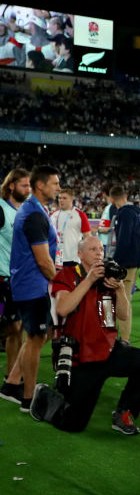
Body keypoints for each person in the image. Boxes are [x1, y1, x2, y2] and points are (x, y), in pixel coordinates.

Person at [29, 236, 140, 434]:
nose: (99, 253)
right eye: (93, 249)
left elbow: (122, 315)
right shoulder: (68, 275)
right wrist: (89, 280)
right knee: (73, 425)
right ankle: (44, 395)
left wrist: (120, 290)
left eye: (101, 249)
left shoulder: (107, 279)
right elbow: (63, 308)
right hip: (80, 355)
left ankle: (125, 412)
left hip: (107, 350)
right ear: (80, 254)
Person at [9, 165, 61, 412]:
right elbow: (42, 260)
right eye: (55, 183)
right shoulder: (34, 214)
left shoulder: (34, 210)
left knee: (40, 335)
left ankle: (11, 384)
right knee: (36, 337)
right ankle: (28, 398)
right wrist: (59, 282)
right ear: (40, 185)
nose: (58, 188)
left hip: (30, 284)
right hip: (33, 286)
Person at [0, 168, 30, 404]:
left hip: (17, 279)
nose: (28, 190)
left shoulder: (22, 211)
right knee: (13, 327)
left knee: (18, 329)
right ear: (11, 186)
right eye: (23, 185)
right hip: (1, 278)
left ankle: (12, 379)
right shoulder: (1, 209)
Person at [110, 185, 140, 340]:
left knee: (123, 300)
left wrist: (115, 261)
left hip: (126, 263)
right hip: (131, 261)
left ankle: (124, 339)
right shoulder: (132, 212)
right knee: (122, 298)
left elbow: (124, 239)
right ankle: (122, 337)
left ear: (112, 199)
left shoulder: (125, 213)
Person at [49, 187, 91, 267]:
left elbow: (87, 237)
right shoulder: (53, 215)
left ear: (72, 199)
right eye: (59, 198)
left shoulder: (80, 215)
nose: (61, 200)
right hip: (55, 259)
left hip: (73, 258)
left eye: (64, 198)